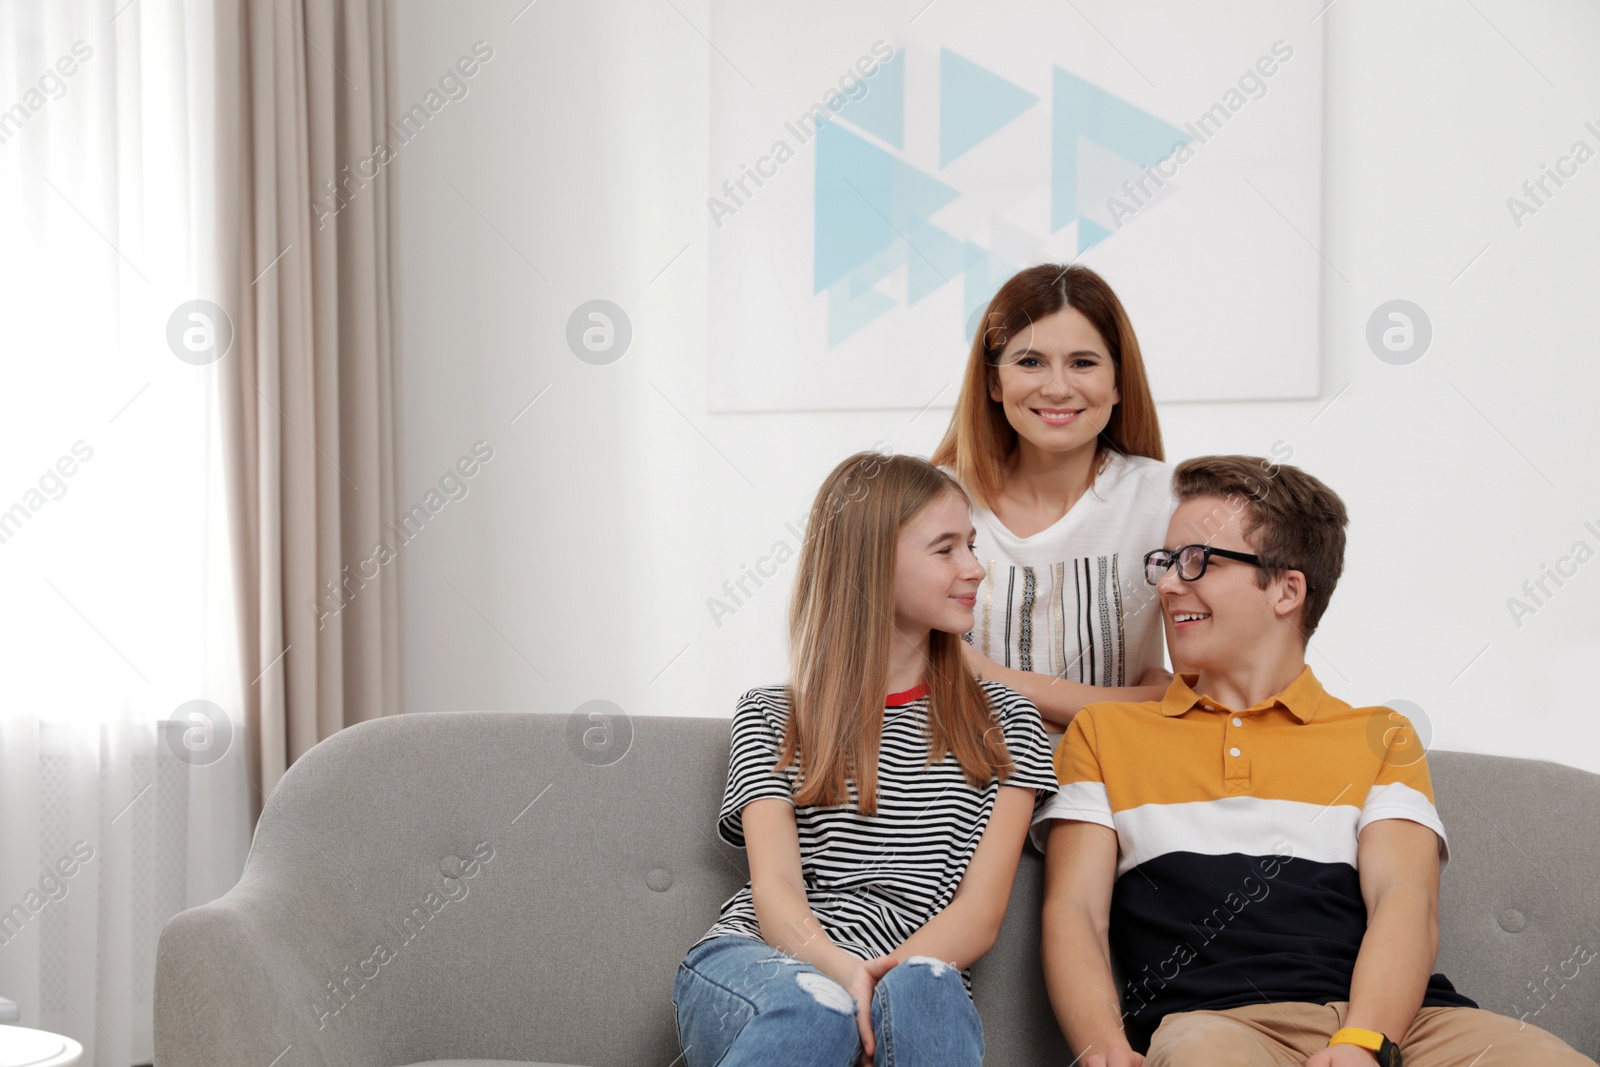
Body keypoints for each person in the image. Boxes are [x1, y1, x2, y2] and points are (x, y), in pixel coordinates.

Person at [1037, 454, 1597, 1066]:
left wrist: (1363, 1040)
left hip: (1401, 1026)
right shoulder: (1103, 733)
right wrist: (1101, 1048)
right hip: (1221, 1025)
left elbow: (1404, 901)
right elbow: (1076, 911)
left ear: (1287, 588)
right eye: (1165, 562)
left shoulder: (1380, 735)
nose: (1170, 583)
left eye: (1198, 560)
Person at [673, 452, 1058, 1067]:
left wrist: (877, 984)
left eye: (972, 545)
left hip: (916, 972)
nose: (975, 569)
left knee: (923, 992)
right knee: (815, 1006)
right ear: (872, 563)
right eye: (946, 549)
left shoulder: (1007, 722)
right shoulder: (773, 714)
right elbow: (775, 890)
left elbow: (979, 914)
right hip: (770, 963)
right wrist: (842, 978)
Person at [932, 263, 1177, 728]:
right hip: (962, 794)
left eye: (1083, 363)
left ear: (1119, 382)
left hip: (1110, 792)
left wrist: (985, 675)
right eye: (1030, 362)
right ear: (994, 382)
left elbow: (1203, 703)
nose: (1058, 388)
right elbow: (904, 683)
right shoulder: (932, 501)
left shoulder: (1166, 501)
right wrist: (1140, 703)